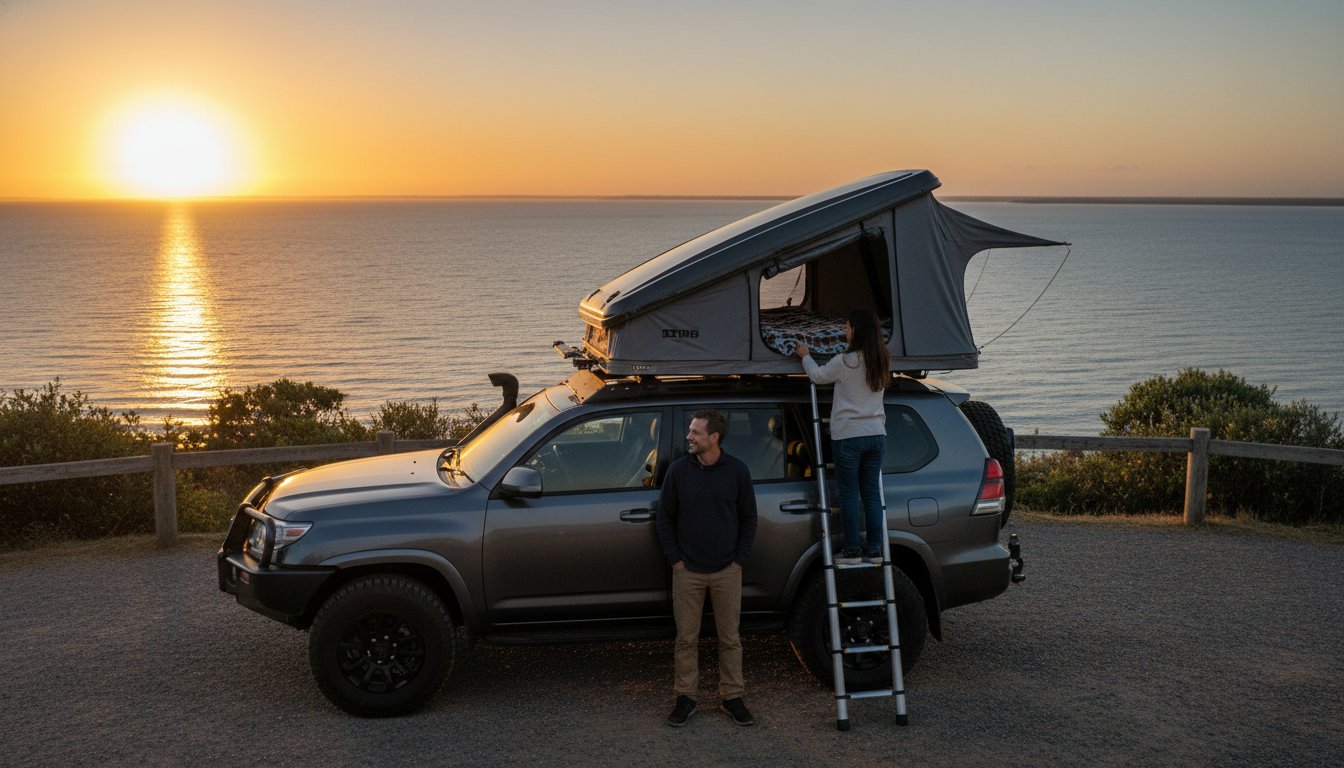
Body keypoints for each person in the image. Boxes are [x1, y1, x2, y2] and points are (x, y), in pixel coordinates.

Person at [656, 409, 759, 728]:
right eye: (690, 431)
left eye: (696, 432)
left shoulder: (738, 472)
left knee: (730, 638)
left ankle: (732, 697)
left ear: (714, 437)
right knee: (686, 639)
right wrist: (676, 559)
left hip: (727, 570)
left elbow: (749, 518)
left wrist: (739, 559)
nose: (689, 436)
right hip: (688, 571)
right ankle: (685, 698)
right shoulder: (678, 471)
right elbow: (664, 518)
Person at [794, 309, 891, 565]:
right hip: (876, 435)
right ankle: (874, 550)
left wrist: (806, 356)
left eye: (847, 327)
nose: (844, 332)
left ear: (856, 331)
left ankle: (851, 552)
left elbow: (817, 376)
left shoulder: (845, 362)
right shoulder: (881, 360)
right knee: (871, 493)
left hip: (848, 436)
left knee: (849, 494)